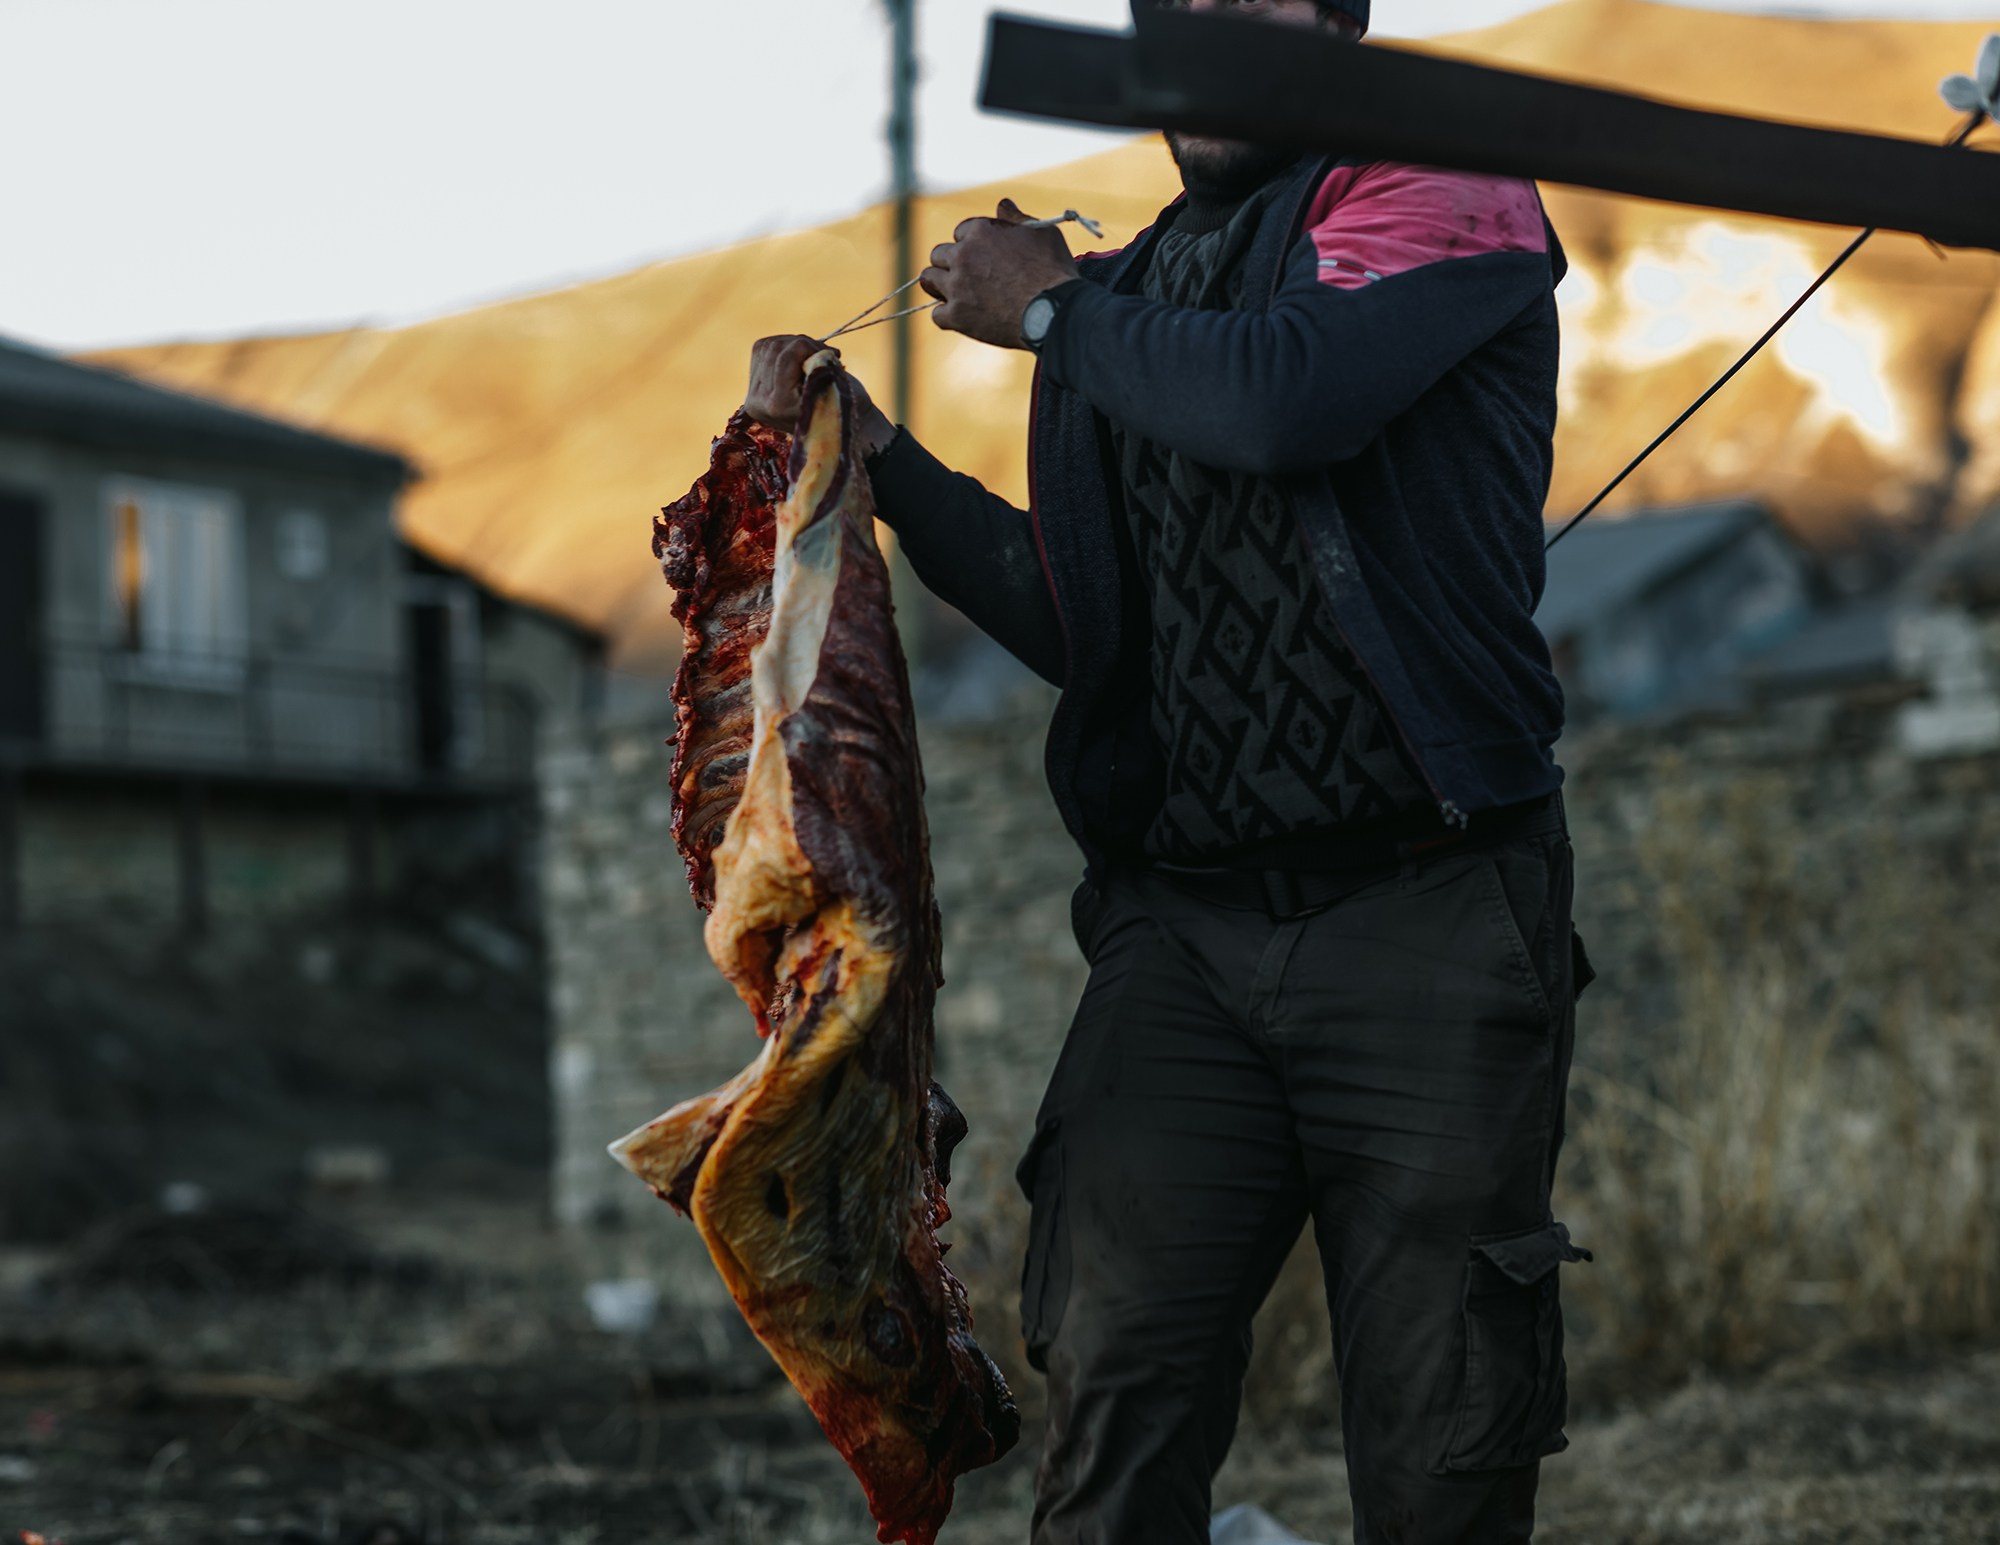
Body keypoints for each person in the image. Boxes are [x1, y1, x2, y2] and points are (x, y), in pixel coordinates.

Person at [745, 1, 1592, 1539]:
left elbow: (1284, 399)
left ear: (1339, 21)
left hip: (1428, 912)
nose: (1209, 22)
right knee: (1117, 1395)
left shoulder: (1443, 187)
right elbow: (1090, 621)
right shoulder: (1131, 295)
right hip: (1178, 938)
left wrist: (1057, 315)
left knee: (1441, 1448)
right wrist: (891, 473)